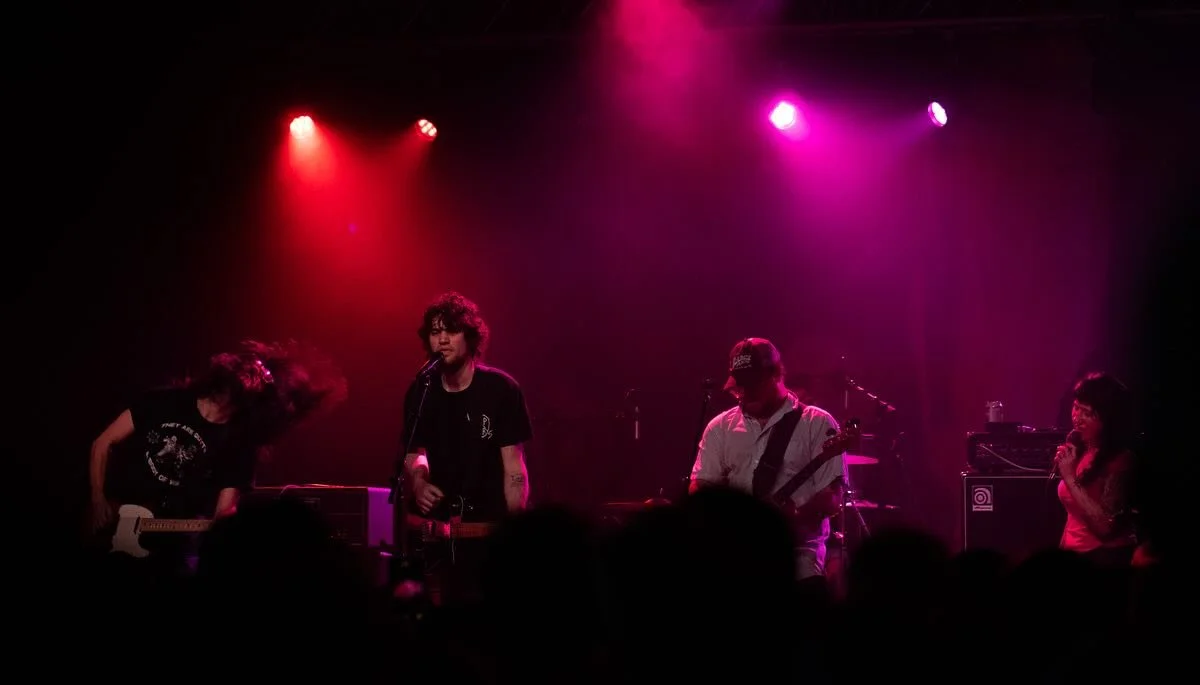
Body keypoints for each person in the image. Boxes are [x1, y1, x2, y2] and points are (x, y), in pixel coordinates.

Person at [87, 339, 348, 573]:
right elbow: (103, 442)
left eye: (259, 376)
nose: (251, 374)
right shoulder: (165, 401)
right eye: (247, 369)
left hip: (171, 555)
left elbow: (224, 513)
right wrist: (98, 500)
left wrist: (220, 526)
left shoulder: (240, 444)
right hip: (113, 528)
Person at [400, 292, 533, 603]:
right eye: (435, 331)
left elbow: (514, 468)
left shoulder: (501, 389)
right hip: (435, 537)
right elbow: (413, 450)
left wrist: (516, 531)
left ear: (471, 337)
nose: (442, 339)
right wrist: (418, 482)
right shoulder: (422, 389)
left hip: (487, 533)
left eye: (452, 330)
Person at [689, 337, 849, 580]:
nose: (744, 393)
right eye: (739, 386)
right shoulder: (719, 428)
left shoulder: (817, 423)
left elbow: (832, 496)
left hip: (795, 556)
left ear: (776, 374)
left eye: (753, 384)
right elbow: (701, 486)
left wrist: (793, 517)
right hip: (735, 556)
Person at [1054, 371, 1139, 567]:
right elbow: (1073, 519)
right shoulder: (1080, 450)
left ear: (1108, 419)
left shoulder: (1121, 460)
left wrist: (1069, 477)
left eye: (1088, 413)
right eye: (1076, 408)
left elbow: (1105, 527)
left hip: (1105, 561)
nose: (1077, 418)